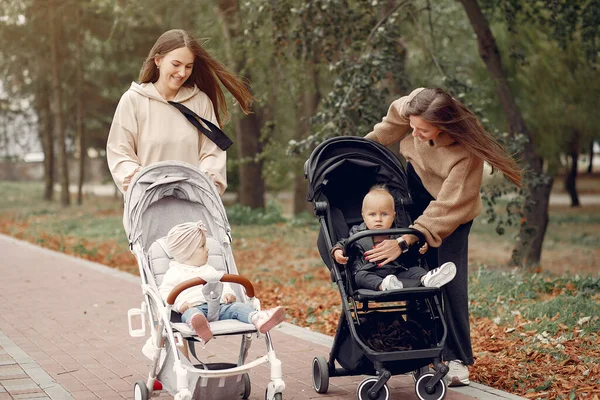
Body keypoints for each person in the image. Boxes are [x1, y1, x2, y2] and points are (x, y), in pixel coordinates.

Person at [364, 88, 522, 386]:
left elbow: (448, 207)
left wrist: (404, 240)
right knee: (416, 275)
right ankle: (422, 348)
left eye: (422, 130)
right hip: (415, 187)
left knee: (448, 280)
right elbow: (388, 128)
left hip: (452, 210)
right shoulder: (411, 106)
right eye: (412, 127)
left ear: (444, 126)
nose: (414, 133)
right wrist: (358, 150)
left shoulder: (465, 154)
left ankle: (457, 358)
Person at [107, 29, 253, 195]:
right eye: (176, 65)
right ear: (158, 60)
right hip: (147, 205)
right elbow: (120, 153)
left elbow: (212, 152)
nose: (182, 73)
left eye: (188, 66)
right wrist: (142, 182)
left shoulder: (200, 101)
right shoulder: (133, 100)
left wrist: (201, 184)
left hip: (192, 206)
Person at [159, 220, 285, 342]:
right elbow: (165, 292)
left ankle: (258, 318)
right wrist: (180, 305)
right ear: (187, 252)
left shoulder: (209, 269)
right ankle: (199, 325)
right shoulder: (174, 272)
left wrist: (228, 294)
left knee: (237, 307)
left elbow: (222, 283)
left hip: (220, 307)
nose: (207, 249)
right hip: (195, 306)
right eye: (202, 246)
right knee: (190, 314)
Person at [331, 185, 456, 291]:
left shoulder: (400, 233)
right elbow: (344, 243)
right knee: (360, 277)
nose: (378, 219)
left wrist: (420, 247)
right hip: (370, 271)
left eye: (384, 214)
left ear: (393, 216)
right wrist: (338, 251)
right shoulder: (357, 232)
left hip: (398, 271)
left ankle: (427, 279)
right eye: (372, 214)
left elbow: (410, 250)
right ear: (363, 216)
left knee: (416, 270)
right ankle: (383, 285)